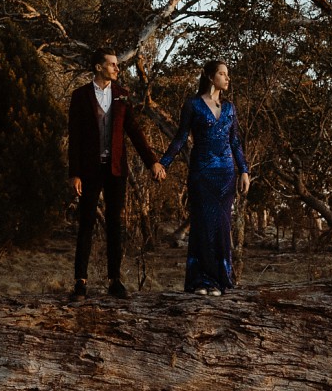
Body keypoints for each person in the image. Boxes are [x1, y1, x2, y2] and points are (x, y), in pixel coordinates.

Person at [67, 48, 165, 299]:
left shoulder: (122, 95)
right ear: (99, 67)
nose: (116, 69)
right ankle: (80, 281)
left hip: (116, 169)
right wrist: (74, 173)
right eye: (112, 65)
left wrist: (152, 162)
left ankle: (115, 280)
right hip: (89, 169)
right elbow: (75, 137)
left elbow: (134, 131)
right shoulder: (80, 96)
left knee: (115, 224)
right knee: (86, 223)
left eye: (117, 65)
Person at [159, 60, 250, 295]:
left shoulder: (229, 108)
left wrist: (244, 171)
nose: (227, 78)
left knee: (221, 226)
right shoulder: (193, 104)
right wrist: (163, 162)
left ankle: (220, 280)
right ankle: (201, 281)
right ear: (210, 77)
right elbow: (180, 138)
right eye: (222, 74)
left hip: (226, 175)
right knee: (202, 226)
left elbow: (236, 142)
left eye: (227, 74)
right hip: (201, 173)